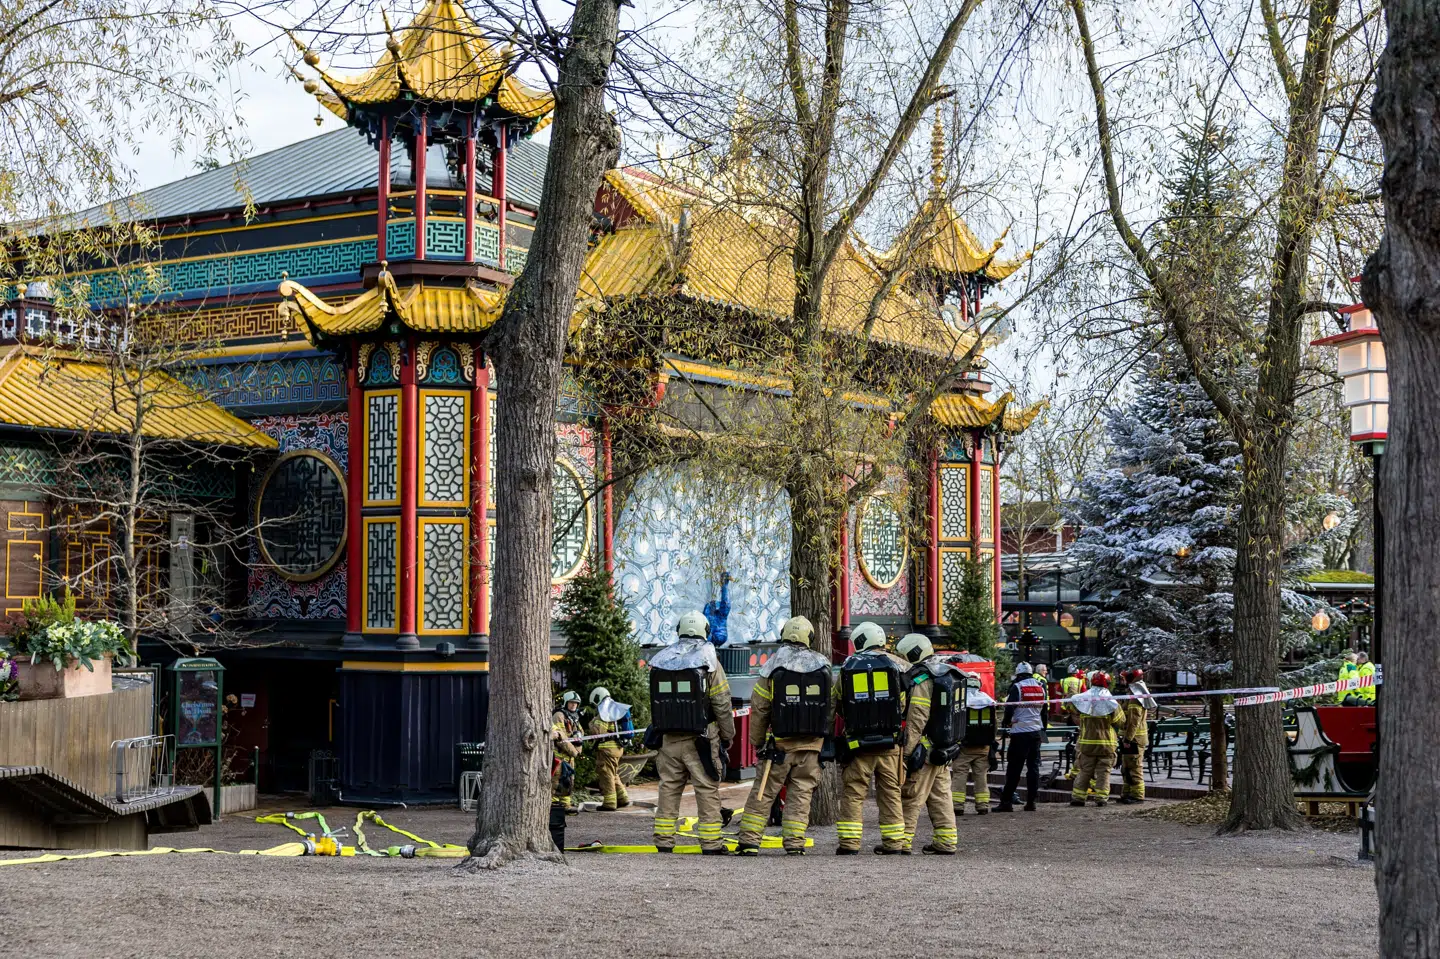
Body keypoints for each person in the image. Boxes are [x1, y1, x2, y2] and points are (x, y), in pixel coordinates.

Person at [735, 615, 832, 856]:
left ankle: (748, 842)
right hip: (811, 747)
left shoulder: (772, 667)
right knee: (801, 795)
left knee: (763, 793)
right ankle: (795, 844)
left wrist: (757, 742)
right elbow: (830, 706)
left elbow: (760, 708)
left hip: (779, 748)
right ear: (810, 637)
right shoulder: (822, 666)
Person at [646, 611, 736, 854]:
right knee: (706, 789)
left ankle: (664, 841)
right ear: (705, 631)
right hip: (702, 741)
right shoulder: (710, 662)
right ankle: (711, 844)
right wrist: (728, 735)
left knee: (668, 788)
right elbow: (721, 703)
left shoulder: (662, 660)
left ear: (680, 630)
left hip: (668, 740)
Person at [834, 621, 910, 854]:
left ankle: (849, 845)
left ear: (859, 641)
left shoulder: (849, 666)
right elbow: (906, 705)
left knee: (854, 794)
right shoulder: (900, 666)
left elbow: (837, 700)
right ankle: (894, 843)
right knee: (891, 794)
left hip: (858, 746)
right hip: (890, 746)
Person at [898, 634, 961, 855]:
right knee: (941, 795)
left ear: (913, 653)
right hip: (943, 749)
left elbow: (917, 719)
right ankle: (946, 841)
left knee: (912, 794)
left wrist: (906, 753)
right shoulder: (946, 672)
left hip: (925, 749)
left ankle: (901, 842)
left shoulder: (923, 678)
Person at [996, 662, 1048, 812]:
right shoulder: (1041, 686)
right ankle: (1031, 802)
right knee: (1033, 767)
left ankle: (1006, 802)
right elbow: (1044, 712)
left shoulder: (1017, 687)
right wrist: (1043, 730)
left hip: (1020, 733)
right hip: (1036, 733)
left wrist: (1006, 723)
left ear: (1018, 674)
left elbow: (1009, 708)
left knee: (1014, 768)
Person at [1070, 672, 1125, 807]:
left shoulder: (1082, 700)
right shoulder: (1112, 703)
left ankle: (1078, 797)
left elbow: (1072, 708)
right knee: (1104, 772)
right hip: (1106, 744)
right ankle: (1101, 798)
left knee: (1085, 770)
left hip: (1087, 744)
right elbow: (1121, 722)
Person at [951, 671, 997, 816]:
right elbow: (994, 725)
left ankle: (957, 806)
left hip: (963, 747)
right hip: (983, 747)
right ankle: (982, 806)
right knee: (981, 777)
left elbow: (954, 722)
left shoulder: (960, 699)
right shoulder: (987, 699)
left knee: (959, 775)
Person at [587, 686, 633, 811]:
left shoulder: (604, 712)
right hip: (616, 749)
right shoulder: (614, 709)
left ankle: (610, 803)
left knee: (606, 775)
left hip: (607, 750)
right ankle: (623, 799)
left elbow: (598, 732)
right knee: (613, 774)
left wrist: (591, 723)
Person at [1115, 669, 1150, 805]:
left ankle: (1137, 795)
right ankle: (1127, 793)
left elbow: (1133, 722)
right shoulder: (1132, 695)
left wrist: (1128, 739)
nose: (1120, 681)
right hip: (1130, 739)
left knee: (1134, 767)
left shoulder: (1136, 698)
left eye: (1123, 679)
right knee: (1126, 767)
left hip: (1133, 739)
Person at [552, 690, 583, 813]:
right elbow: (561, 738)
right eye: (571, 703)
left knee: (568, 780)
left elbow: (580, 735)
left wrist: (578, 748)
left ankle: (566, 805)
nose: (574, 705)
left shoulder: (575, 716)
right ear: (566, 702)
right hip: (560, 755)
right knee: (556, 780)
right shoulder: (559, 715)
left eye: (576, 703)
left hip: (570, 756)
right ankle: (553, 806)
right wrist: (574, 751)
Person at [703, 571, 731, 646]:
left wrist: (724, 586)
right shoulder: (708, 609)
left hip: (717, 636)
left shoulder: (718, 612)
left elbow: (726, 604)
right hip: (714, 637)